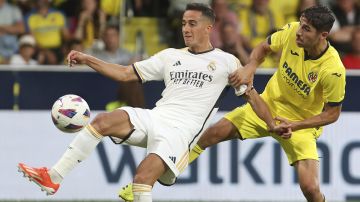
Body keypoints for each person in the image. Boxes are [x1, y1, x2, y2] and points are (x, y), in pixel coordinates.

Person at [17, 3, 286, 201]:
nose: (186, 29)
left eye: (192, 23)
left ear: (208, 27)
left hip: (181, 133)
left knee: (141, 182)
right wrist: (88, 59)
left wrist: (271, 123)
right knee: (102, 121)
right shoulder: (169, 56)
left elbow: (252, 97)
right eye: (183, 23)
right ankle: (53, 177)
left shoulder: (228, 62)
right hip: (155, 117)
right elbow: (124, 73)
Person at [189, 5, 345, 202]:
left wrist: (295, 125)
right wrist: (251, 67)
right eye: (301, 24)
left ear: (323, 35)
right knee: (211, 134)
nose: (299, 32)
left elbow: (332, 114)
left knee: (310, 188)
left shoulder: (333, 69)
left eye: (306, 29)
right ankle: (169, 171)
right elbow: (264, 47)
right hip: (266, 107)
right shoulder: (291, 32)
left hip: (299, 126)